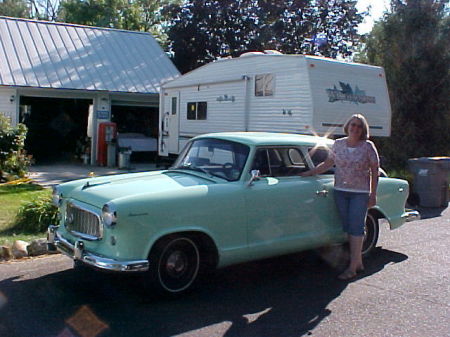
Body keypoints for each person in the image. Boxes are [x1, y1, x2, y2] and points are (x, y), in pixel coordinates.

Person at [301, 114, 380, 280]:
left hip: (360, 192)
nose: (355, 128)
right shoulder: (338, 144)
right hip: (340, 191)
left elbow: (374, 170)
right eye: (353, 125)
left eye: (359, 126)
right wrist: (310, 172)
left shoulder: (367, 146)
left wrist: (373, 194)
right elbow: (328, 163)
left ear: (363, 129)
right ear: (348, 126)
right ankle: (358, 262)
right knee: (348, 225)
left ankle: (352, 267)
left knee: (356, 227)